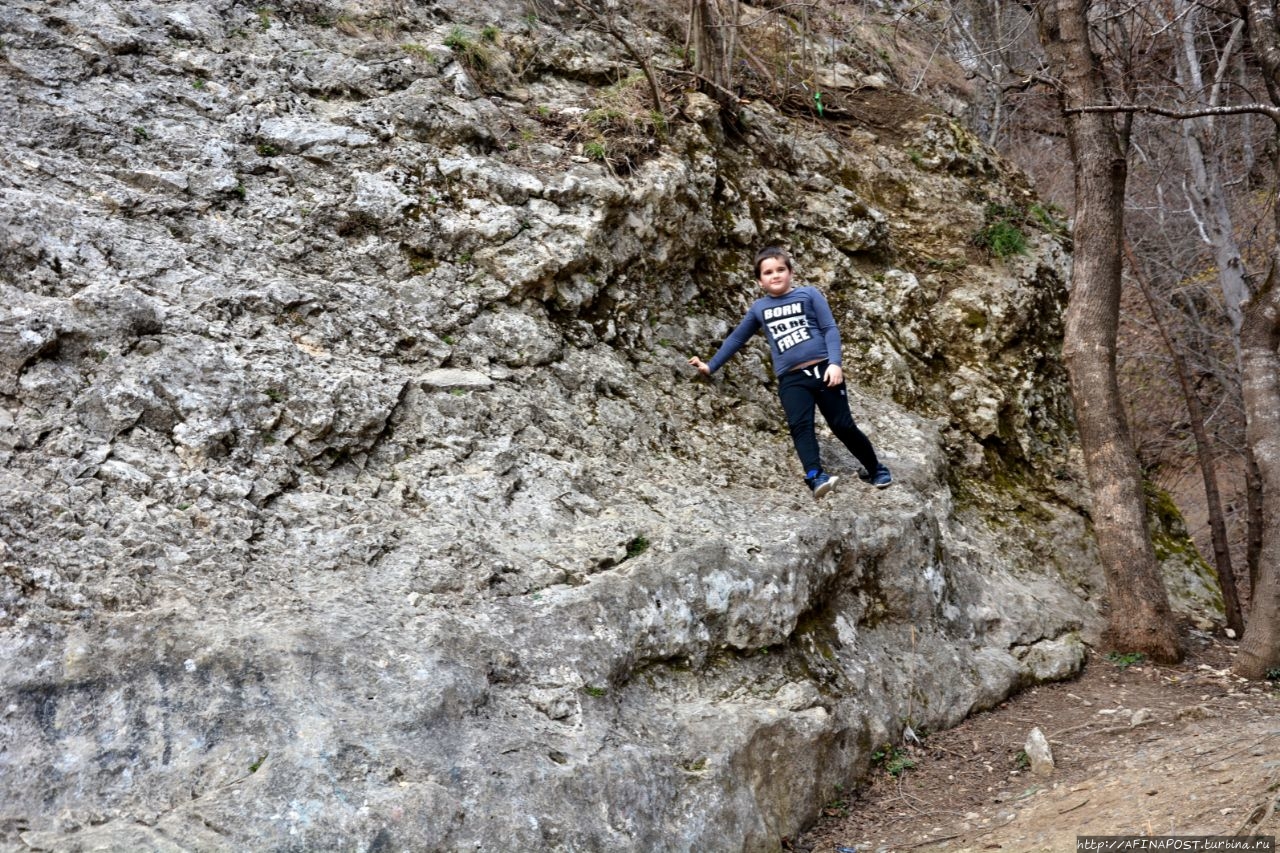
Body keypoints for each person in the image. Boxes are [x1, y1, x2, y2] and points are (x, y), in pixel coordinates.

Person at [689, 246, 892, 499]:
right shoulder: (759, 309)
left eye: (780, 270)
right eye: (768, 272)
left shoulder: (809, 294)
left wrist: (835, 363)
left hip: (824, 369)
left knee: (842, 425)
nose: (775, 275)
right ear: (759, 281)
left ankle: (875, 469)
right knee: (800, 426)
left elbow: (829, 328)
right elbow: (737, 338)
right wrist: (710, 365)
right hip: (791, 379)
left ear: (790, 272)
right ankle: (816, 477)